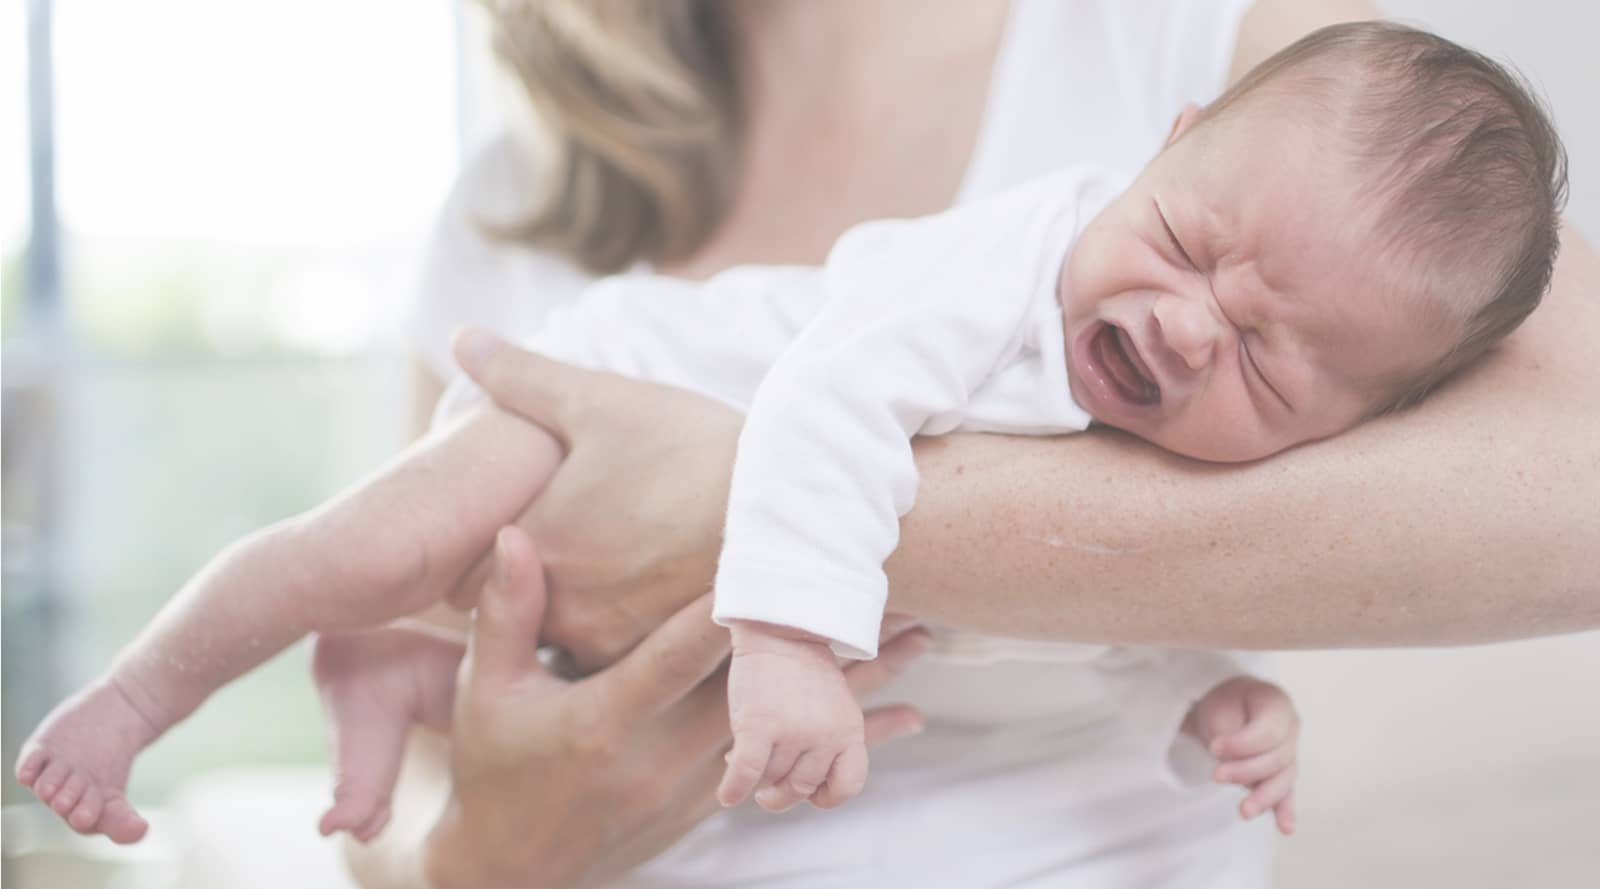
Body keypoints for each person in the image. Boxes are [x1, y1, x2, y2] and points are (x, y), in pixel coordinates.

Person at [369, 0, 1595, 887]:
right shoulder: (506, 205)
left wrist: (740, 518)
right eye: (1175, 246)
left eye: (1262, 356)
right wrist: (485, 855)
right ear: (1161, 156)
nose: (1184, 322)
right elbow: (389, 741)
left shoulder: (1221, 46)